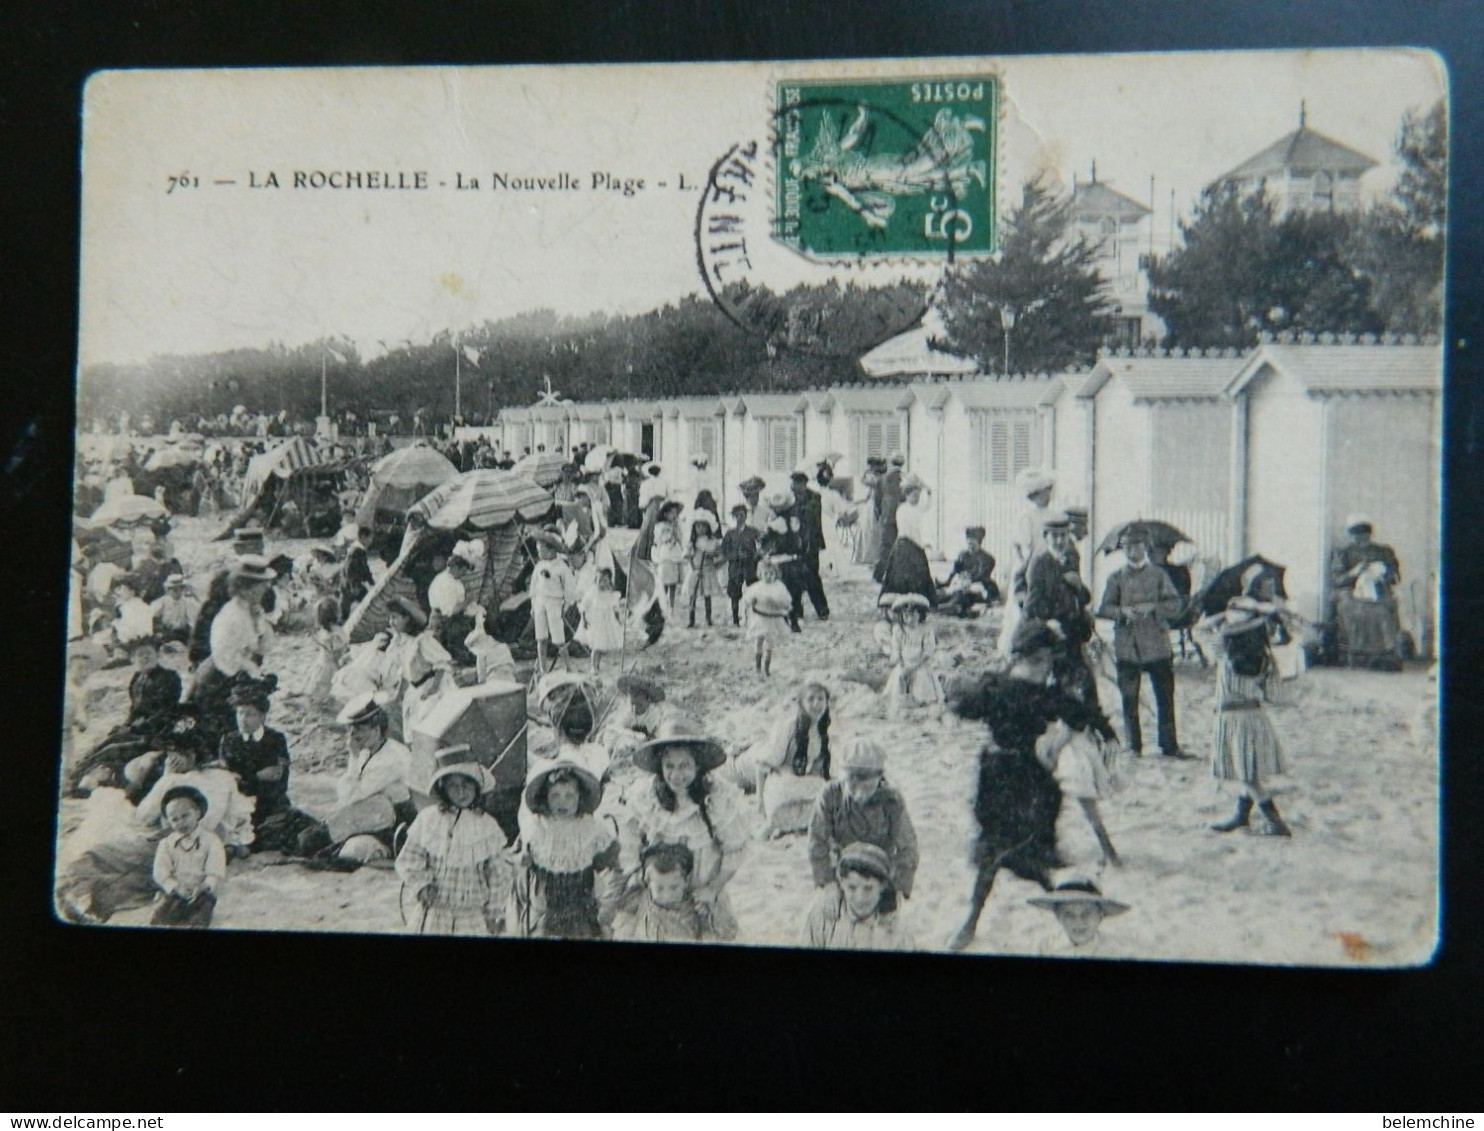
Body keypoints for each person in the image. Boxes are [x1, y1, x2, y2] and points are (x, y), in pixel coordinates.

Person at [945, 621, 1116, 952]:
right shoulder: (1003, 688)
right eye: (1039, 661)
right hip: (1002, 781)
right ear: (1024, 658)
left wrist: (1086, 735)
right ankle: (972, 920)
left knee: (1029, 855)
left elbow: (1082, 715)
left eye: (1048, 661)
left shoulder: (1032, 692)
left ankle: (1072, 920)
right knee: (996, 855)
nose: (1045, 667)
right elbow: (962, 703)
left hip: (1029, 781)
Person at [619, 718, 750, 940]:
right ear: (660, 767)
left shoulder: (714, 799)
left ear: (697, 765)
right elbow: (629, 837)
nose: (676, 775)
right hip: (660, 892)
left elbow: (735, 849)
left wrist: (713, 888)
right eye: (669, 766)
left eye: (685, 766)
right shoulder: (647, 798)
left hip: (701, 892)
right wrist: (635, 872)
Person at [1204, 581, 1292, 837]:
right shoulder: (1264, 655)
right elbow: (1275, 693)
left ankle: (1275, 820)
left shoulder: (1224, 649)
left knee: (1247, 776)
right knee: (1248, 768)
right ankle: (1242, 815)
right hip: (1255, 714)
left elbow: (1202, 629)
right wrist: (1260, 616)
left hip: (1233, 716)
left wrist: (1225, 618)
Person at [396, 748, 513, 936]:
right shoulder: (429, 819)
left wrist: (495, 910)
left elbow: (499, 874)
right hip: (435, 911)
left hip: (472, 915)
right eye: (453, 786)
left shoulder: (487, 826)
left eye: (467, 783)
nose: (461, 791)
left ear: (477, 786)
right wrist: (422, 885)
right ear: (443, 789)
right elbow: (410, 857)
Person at [1096, 525, 1187, 759]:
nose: (1131, 551)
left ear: (1146, 548)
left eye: (1136, 546)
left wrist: (1154, 608)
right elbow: (1104, 609)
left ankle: (1169, 745)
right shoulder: (1115, 578)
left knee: (1164, 696)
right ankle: (1133, 745)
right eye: (1126, 547)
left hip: (1157, 644)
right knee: (1129, 698)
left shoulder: (1159, 575)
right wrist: (1123, 612)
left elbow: (1175, 605)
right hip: (1128, 646)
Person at [299, 691, 419, 863]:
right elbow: (346, 792)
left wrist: (353, 757)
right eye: (352, 729)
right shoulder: (369, 750)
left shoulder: (392, 758)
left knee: (332, 850)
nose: (353, 735)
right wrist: (354, 759)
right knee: (309, 839)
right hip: (368, 815)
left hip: (392, 824)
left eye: (359, 729)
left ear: (376, 730)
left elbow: (351, 796)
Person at [510, 756, 620, 939]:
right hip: (546, 904)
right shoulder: (536, 826)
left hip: (581, 902)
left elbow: (610, 860)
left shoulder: (591, 827)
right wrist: (522, 860)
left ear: (580, 797)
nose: (563, 802)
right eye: (555, 795)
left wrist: (604, 890)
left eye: (569, 796)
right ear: (545, 797)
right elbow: (516, 855)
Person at [807, 737, 918, 912]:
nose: (859, 794)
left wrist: (897, 889)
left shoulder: (892, 801)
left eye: (867, 788)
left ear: (880, 779)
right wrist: (826, 883)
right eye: (852, 785)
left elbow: (908, 848)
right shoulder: (829, 795)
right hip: (843, 872)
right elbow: (816, 841)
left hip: (878, 874)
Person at [66, 634, 182, 796]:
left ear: (157, 654)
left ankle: (75, 783)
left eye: (148, 653)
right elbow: (135, 710)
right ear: (133, 659)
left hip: (157, 734)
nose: (144, 658)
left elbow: (166, 713)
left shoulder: (169, 677)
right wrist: (126, 725)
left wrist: (134, 727)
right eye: (139, 655)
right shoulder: (137, 678)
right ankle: (76, 777)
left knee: (112, 750)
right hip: (136, 730)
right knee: (103, 744)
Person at [1024, 510, 1106, 719]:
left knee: (1085, 678)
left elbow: (1083, 597)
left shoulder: (1071, 556)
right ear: (1046, 537)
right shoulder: (1039, 563)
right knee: (1054, 679)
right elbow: (1031, 606)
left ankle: (1092, 721)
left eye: (1063, 535)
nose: (1060, 541)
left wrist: (1078, 587)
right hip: (1049, 631)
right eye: (1055, 536)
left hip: (1071, 628)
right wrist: (1049, 622)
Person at [219, 675, 314, 853]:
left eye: (250, 714)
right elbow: (229, 782)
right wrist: (257, 776)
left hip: (271, 804)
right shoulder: (229, 740)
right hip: (241, 807)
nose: (243, 719)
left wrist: (245, 777)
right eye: (240, 713)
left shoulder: (276, 739)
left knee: (307, 831)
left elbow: (278, 780)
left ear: (262, 716)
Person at [731, 681, 832, 835]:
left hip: (800, 782)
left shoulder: (821, 731)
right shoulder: (788, 727)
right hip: (779, 781)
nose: (816, 704)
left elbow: (817, 772)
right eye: (810, 699)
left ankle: (792, 823)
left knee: (831, 796)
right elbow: (763, 765)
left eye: (820, 699)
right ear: (801, 703)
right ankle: (778, 822)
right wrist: (760, 801)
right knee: (788, 800)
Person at [803, 841, 915, 951]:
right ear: (841, 883)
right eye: (852, 887)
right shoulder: (822, 920)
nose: (859, 898)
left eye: (868, 888)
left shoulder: (897, 929)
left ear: (882, 886)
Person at [1329, 514, 1405, 670]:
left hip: (1377, 591)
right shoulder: (1343, 553)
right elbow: (1336, 580)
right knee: (1351, 608)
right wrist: (1354, 572)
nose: (1360, 537)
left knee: (1383, 610)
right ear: (1351, 535)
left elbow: (1395, 577)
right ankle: (1357, 654)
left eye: (1364, 532)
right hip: (1350, 592)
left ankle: (1384, 654)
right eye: (1356, 533)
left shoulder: (1383, 552)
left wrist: (1382, 574)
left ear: (1369, 533)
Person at [612, 841, 724, 943]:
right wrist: (633, 877)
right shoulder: (642, 897)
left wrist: (713, 904)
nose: (667, 895)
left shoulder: (696, 904)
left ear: (686, 881)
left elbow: (728, 932)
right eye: (659, 888)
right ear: (648, 883)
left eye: (674, 887)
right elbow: (614, 905)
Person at [150, 785, 226, 928]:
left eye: (185, 816)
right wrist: (175, 887)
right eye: (174, 819)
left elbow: (215, 871)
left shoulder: (211, 841)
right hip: (176, 890)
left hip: (201, 890)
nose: (180, 822)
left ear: (197, 813)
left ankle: (196, 922)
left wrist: (204, 886)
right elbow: (160, 872)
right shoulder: (166, 844)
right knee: (160, 915)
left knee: (204, 908)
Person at [998, 467, 1056, 656]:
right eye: (1045, 492)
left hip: (1048, 564)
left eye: (1049, 491)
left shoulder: (1053, 514)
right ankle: (1019, 644)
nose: (1048, 495)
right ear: (1035, 494)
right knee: (1023, 605)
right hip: (1029, 565)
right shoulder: (1027, 516)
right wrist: (1027, 567)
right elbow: (1021, 546)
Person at [875, 474, 935, 611]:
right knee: (901, 572)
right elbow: (909, 530)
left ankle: (921, 598)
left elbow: (927, 505)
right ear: (907, 495)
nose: (917, 497)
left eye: (918, 495)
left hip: (916, 545)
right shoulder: (902, 509)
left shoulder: (918, 509)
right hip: (905, 544)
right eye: (914, 495)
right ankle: (897, 598)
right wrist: (920, 543)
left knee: (920, 573)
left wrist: (927, 489)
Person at [877, 593, 942, 716]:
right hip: (904, 664)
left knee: (922, 681)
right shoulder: (899, 630)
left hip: (920, 663)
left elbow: (927, 652)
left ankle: (921, 704)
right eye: (905, 614)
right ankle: (900, 704)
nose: (908, 617)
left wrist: (914, 666)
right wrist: (902, 665)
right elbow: (896, 649)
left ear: (920, 615)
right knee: (899, 679)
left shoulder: (925, 630)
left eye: (912, 614)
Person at [1027, 878, 1131, 954]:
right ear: (1058, 917)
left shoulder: (1117, 951)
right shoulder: (1046, 948)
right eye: (1069, 914)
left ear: (1100, 916)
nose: (1079, 921)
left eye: (1087, 913)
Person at [529, 531, 576, 673]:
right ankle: (543, 669)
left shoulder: (561, 567)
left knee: (558, 637)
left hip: (555, 603)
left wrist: (566, 606)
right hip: (540, 602)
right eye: (538, 551)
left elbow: (569, 589)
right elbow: (534, 586)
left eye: (542, 550)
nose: (539, 554)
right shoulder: (539, 566)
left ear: (551, 550)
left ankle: (568, 666)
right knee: (541, 637)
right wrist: (533, 604)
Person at [759, 495, 807, 631]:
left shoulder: (776, 524)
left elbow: (764, 541)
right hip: (793, 560)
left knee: (781, 592)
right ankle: (794, 620)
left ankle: (785, 620)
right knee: (794, 593)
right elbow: (801, 541)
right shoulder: (795, 522)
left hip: (779, 561)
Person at [740, 556, 794, 676]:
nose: (768, 576)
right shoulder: (756, 587)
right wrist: (745, 615)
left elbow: (787, 602)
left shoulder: (779, 586)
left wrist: (778, 603)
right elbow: (746, 601)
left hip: (773, 619)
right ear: (760, 574)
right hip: (759, 618)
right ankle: (757, 667)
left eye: (771, 573)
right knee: (758, 641)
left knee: (769, 644)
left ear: (776, 573)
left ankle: (766, 668)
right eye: (765, 573)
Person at [789, 471, 830, 622]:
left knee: (812, 576)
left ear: (802, 484)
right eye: (791, 484)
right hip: (795, 543)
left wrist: (796, 506)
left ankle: (822, 609)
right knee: (794, 576)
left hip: (810, 543)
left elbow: (810, 516)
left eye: (794, 484)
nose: (792, 487)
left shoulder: (814, 497)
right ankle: (797, 609)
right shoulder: (791, 499)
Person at [936, 526, 999, 617]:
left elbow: (982, 575)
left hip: (980, 586)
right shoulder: (963, 555)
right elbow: (955, 571)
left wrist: (968, 579)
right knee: (945, 594)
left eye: (973, 543)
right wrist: (947, 582)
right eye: (968, 543)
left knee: (961, 596)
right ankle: (937, 604)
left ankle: (949, 607)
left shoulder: (987, 558)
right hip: (962, 584)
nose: (970, 546)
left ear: (979, 542)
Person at [577, 566, 626, 674]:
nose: (602, 583)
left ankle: (598, 666)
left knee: (602, 645)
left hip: (607, 623)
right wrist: (584, 621)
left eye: (605, 580)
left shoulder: (611, 594)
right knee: (597, 645)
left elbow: (615, 609)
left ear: (609, 580)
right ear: (596, 581)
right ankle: (593, 666)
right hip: (596, 623)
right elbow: (583, 607)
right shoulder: (593, 592)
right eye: (599, 580)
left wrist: (619, 620)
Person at [720, 504, 760, 627]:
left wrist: (753, 556)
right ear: (733, 517)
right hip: (735, 568)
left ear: (746, 516)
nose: (739, 518)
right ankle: (736, 619)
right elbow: (724, 551)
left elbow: (760, 547)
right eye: (737, 515)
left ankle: (755, 617)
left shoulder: (753, 532)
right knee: (734, 593)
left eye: (742, 515)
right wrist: (735, 556)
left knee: (754, 591)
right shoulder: (730, 534)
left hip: (750, 567)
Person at [869, 453, 906, 583]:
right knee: (902, 545)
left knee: (885, 546)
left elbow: (877, 500)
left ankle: (878, 574)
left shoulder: (883, 479)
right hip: (903, 517)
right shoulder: (904, 479)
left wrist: (880, 514)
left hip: (887, 517)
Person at [682, 515, 722, 628]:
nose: (701, 528)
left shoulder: (712, 541)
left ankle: (708, 618)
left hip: (708, 570)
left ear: (708, 527)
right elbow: (689, 557)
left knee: (707, 594)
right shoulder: (692, 542)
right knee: (693, 595)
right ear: (694, 528)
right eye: (698, 526)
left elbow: (719, 555)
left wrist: (713, 556)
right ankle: (691, 619)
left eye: (704, 526)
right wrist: (694, 569)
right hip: (696, 570)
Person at [306, 597, 349, 704]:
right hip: (331, 668)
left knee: (317, 694)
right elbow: (338, 656)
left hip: (321, 665)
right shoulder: (338, 633)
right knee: (329, 695)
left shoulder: (323, 631)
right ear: (337, 613)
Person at [651, 502, 686, 617]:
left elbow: (681, 537)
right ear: (666, 514)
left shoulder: (677, 525)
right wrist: (670, 532)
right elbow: (660, 539)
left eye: (676, 513)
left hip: (675, 554)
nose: (674, 515)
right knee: (664, 582)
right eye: (672, 513)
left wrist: (677, 530)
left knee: (673, 583)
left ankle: (671, 606)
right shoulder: (660, 526)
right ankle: (662, 605)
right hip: (666, 554)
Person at [338, 524, 376, 620]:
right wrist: (354, 586)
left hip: (350, 584)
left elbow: (365, 569)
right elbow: (349, 570)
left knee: (363, 602)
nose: (371, 541)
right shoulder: (356, 551)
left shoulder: (359, 551)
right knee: (365, 603)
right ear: (363, 537)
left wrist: (372, 582)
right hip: (350, 584)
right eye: (370, 538)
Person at [150, 573, 200, 645]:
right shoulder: (161, 602)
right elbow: (152, 617)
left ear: (182, 589)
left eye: (178, 588)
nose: (176, 591)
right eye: (173, 589)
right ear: (168, 590)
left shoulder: (188, 603)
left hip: (182, 634)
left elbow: (193, 622)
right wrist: (158, 630)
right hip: (166, 633)